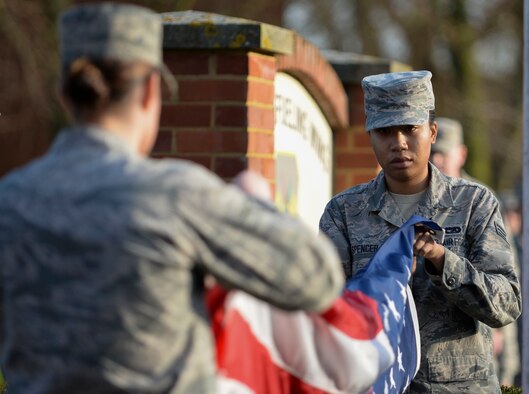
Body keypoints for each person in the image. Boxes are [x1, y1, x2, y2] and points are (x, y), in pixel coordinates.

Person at [0, 3, 344, 393]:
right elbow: (318, 277)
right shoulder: (176, 197)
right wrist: (254, 201)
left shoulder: (9, 201)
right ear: (150, 91)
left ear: (64, 94)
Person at [319, 70, 521, 393]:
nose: (399, 143)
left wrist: (443, 261)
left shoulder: (473, 204)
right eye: (385, 131)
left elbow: (506, 304)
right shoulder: (343, 213)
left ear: (432, 132)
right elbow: (326, 311)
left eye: (410, 129)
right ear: (370, 136)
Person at [431, 117, 521, 387]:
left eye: (443, 154)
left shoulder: (480, 201)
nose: (437, 161)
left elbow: (505, 283)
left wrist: (508, 362)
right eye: (433, 153)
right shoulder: (422, 196)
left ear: (461, 154)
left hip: (477, 336)